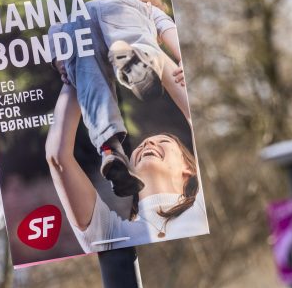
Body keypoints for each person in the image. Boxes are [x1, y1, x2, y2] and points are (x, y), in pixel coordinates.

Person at [48, 0, 188, 197]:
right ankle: (138, 62)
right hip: (121, 15)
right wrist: (181, 59)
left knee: (92, 89)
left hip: (76, 24)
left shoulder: (93, 5)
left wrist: (61, 63)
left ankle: (110, 149)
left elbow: (55, 31)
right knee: (144, 45)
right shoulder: (145, 7)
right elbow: (167, 29)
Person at [45, 85, 207, 251]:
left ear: (189, 168)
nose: (148, 142)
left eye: (164, 141)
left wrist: (161, 68)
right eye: (141, 146)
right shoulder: (111, 234)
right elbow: (58, 158)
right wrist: (73, 80)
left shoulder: (202, 208)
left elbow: (191, 112)